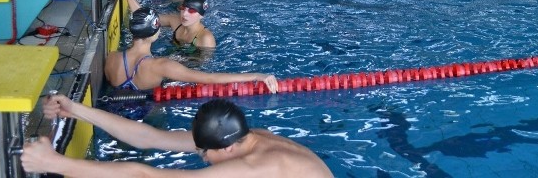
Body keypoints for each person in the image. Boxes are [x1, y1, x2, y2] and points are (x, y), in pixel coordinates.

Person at [22, 96, 333, 177]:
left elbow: (144, 176)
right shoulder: (246, 137)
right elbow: (149, 137)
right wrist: (76, 110)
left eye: (203, 155)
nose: (202, 158)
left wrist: (54, 162)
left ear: (224, 150)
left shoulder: (257, 167)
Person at [105, 6, 277, 91]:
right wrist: (256, 75)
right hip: (147, 115)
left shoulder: (111, 58)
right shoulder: (161, 66)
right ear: (155, 33)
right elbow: (209, 79)